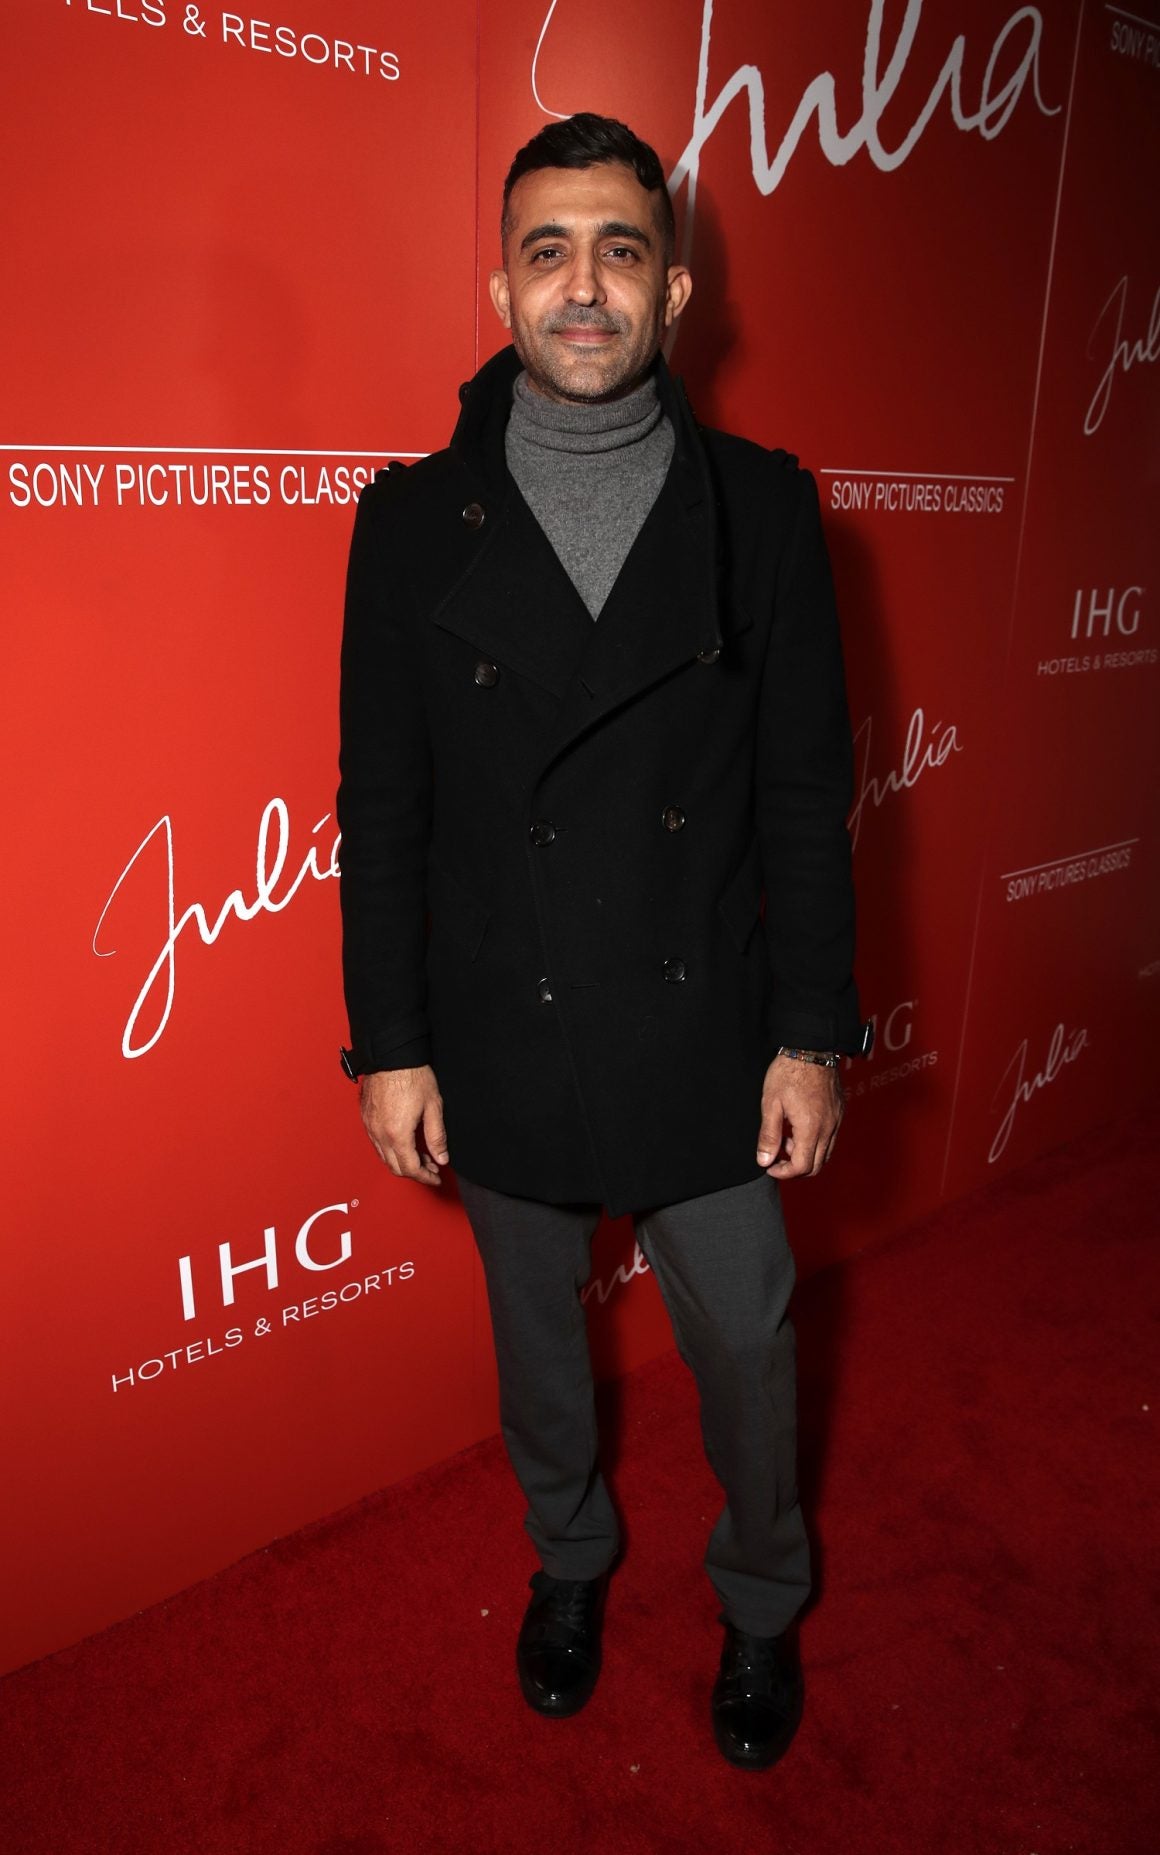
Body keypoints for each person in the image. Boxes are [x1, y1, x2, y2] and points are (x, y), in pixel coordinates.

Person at [336, 112, 872, 1771]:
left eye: (620, 250)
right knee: (538, 1343)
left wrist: (811, 1034)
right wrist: (392, 1044)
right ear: (501, 287)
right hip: (504, 1009)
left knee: (749, 1343)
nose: (585, 285)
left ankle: (762, 1594)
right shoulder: (409, 521)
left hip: (702, 1017)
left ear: (675, 289)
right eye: (550, 251)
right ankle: (568, 1558)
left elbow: (806, 793)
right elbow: (384, 807)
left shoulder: (764, 511)